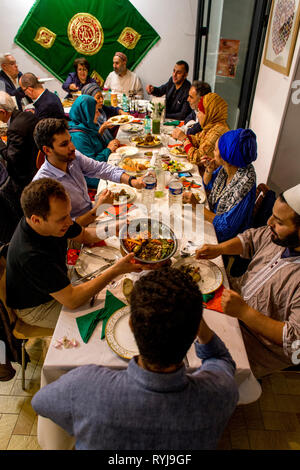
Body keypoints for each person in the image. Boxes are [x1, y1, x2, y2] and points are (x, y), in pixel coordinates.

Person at [31, 267, 238, 450]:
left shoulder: (84, 385)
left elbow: (40, 403)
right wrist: (191, 316)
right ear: (194, 332)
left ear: (131, 325)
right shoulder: (221, 393)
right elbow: (220, 358)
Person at [5, 178, 145, 329]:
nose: (70, 222)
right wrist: (116, 270)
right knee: (106, 319)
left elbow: (84, 235)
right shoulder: (30, 255)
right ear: (36, 220)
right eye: (63, 218)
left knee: (111, 296)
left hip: (59, 283)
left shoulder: (49, 222)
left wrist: (114, 227)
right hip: (38, 307)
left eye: (68, 214)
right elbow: (72, 300)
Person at [196, 183, 300, 378]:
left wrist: (244, 312)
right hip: (232, 303)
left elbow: (295, 342)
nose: (269, 222)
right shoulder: (279, 237)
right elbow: (250, 239)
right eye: (272, 215)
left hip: (254, 345)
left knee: (193, 358)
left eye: (279, 222)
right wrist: (219, 249)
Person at [33, 118, 145, 226]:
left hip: (92, 213)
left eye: (70, 141)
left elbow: (101, 169)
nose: (72, 147)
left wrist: (132, 181)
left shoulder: (73, 157)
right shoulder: (44, 185)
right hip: (78, 234)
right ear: (47, 150)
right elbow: (66, 228)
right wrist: (98, 209)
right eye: (64, 144)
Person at [183, 129, 257, 242]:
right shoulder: (230, 167)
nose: (213, 152)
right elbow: (208, 186)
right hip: (212, 216)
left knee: (181, 229)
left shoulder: (244, 184)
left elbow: (226, 228)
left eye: (216, 150)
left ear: (225, 156)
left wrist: (197, 206)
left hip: (223, 237)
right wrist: (209, 169)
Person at [68, 94, 120, 188]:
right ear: (87, 113)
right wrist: (108, 149)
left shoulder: (86, 126)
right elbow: (91, 166)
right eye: (96, 111)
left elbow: (94, 143)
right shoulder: (78, 137)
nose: (99, 114)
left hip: (100, 166)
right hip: (91, 177)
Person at [172, 92, 229, 168]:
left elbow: (197, 158)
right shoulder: (211, 125)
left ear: (209, 113)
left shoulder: (217, 132)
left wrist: (184, 139)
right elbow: (198, 139)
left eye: (200, 111)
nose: (198, 116)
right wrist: (183, 136)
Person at [0, 91, 38, 189]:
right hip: (35, 167)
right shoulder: (28, 115)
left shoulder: (15, 128)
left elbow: (11, 157)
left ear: (2, 112)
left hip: (25, 178)